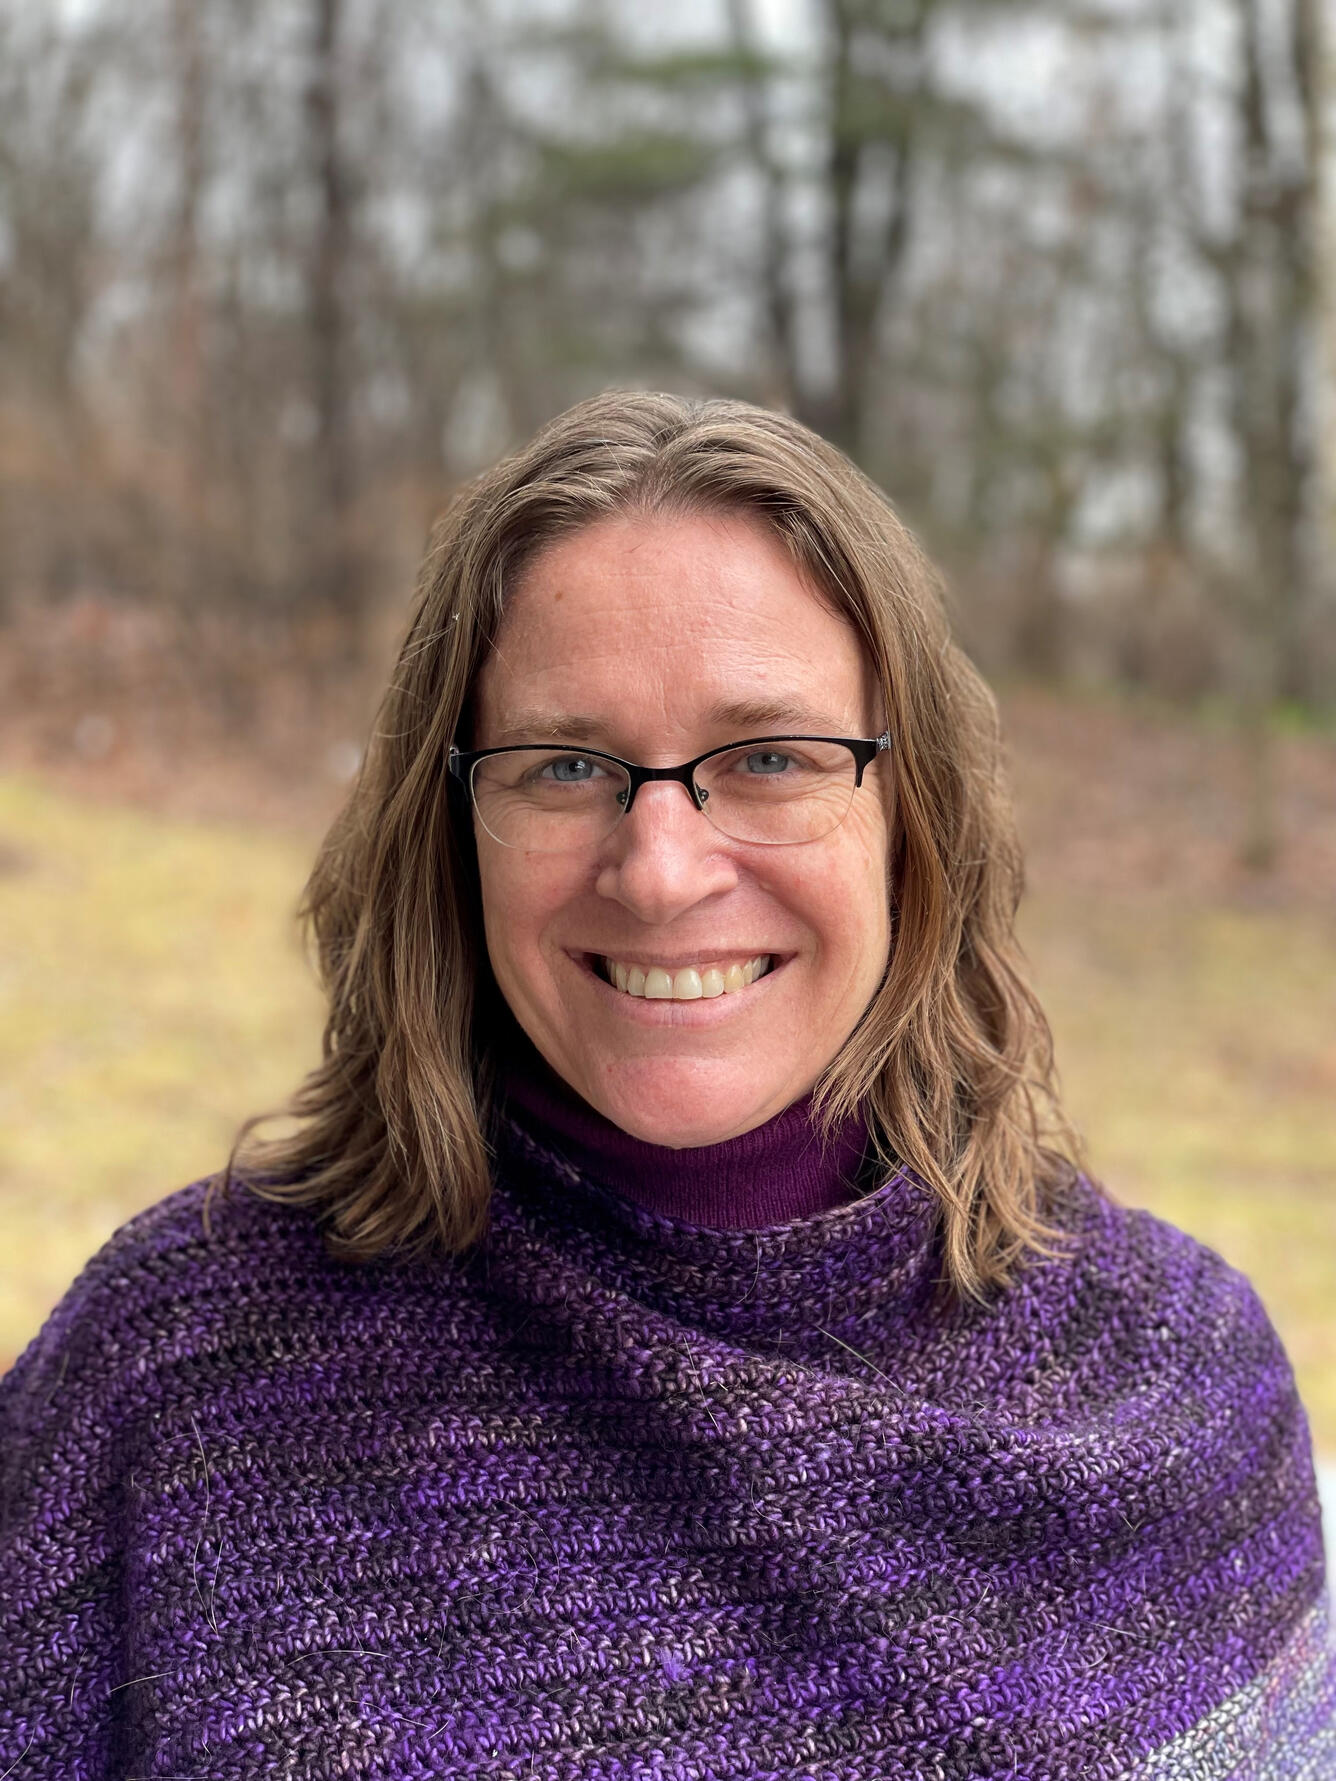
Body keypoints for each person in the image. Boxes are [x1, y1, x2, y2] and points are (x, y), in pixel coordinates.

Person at [1, 391, 1331, 1778]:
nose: (659, 868)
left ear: (910, 813)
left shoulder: (1175, 1391)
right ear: (449, 823)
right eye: (566, 764)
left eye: (769, 757)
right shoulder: (178, 1378)